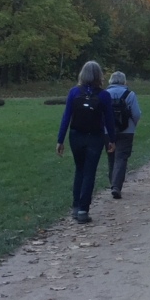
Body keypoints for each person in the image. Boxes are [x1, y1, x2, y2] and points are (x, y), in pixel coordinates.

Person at [55, 61, 117, 224]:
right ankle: (84, 209)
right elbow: (109, 120)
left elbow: (66, 117)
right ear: (99, 76)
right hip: (95, 137)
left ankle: (76, 206)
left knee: (79, 169)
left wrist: (60, 139)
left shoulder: (74, 92)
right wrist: (111, 139)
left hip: (76, 135)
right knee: (90, 172)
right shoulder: (104, 95)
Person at [105, 71, 141, 199]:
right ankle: (116, 186)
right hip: (127, 131)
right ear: (124, 81)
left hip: (107, 131)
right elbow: (136, 113)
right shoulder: (129, 94)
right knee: (121, 157)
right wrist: (132, 124)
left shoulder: (105, 94)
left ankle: (112, 183)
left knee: (111, 157)